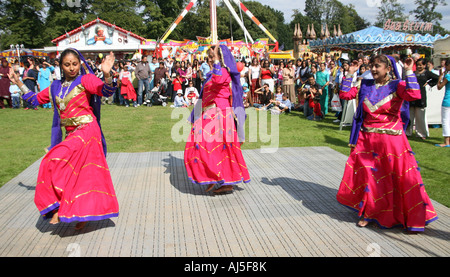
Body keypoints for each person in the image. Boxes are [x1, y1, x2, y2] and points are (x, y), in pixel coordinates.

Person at [8, 48, 119, 230]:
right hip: (71, 134)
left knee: (53, 159)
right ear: (60, 66)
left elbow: (105, 91)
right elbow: (35, 100)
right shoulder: (55, 86)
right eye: (67, 65)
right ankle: (79, 212)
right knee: (78, 175)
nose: (71, 68)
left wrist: (107, 75)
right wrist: (19, 82)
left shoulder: (85, 80)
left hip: (87, 131)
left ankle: (63, 210)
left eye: (75, 64)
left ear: (79, 64)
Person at [336, 55, 438, 232]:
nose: (373, 69)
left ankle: (399, 214)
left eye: (377, 66)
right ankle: (369, 213)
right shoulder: (365, 85)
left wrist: (408, 71)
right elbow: (345, 94)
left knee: (395, 179)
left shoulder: (397, 86)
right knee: (369, 178)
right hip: (367, 141)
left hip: (392, 143)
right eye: (372, 66)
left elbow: (414, 94)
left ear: (388, 68)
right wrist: (349, 74)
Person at [184, 44, 250, 194]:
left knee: (209, 146)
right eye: (210, 56)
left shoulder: (224, 72)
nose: (210, 58)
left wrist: (217, 61)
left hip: (220, 113)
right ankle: (217, 177)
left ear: (221, 57)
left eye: (212, 56)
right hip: (211, 113)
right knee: (202, 145)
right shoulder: (213, 73)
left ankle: (219, 178)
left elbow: (219, 81)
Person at [406, 58, 439, 139]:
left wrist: (429, 83)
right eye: (417, 65)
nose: (419, 66)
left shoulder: (427, 73)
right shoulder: (413, 73)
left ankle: (421, 134)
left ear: (424, 65)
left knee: (420, 117)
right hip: (412, 96)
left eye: (421, 65)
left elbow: (437, 78)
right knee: (410, 116)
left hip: (421, 96)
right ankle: (407, 133)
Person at [436, 59, 450, 147]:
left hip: (447, 100)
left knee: (445, 121)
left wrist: (440, 77)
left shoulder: (448, 76)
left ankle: (446, 142)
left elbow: (439, 87)